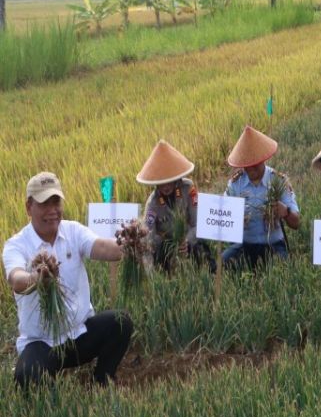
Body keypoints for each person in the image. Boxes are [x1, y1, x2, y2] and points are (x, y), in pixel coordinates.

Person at [4, 172, 133, 388]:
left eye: (56, 202)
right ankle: (53, 395)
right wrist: (37, 278)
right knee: (26, 376)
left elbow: (101, 246)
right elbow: (16, 279)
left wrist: (128, 244)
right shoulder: (16, 245)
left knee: (121, 323)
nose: (52, 210)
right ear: (29, 207)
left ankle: (102, 380)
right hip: (43, 343)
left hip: (79, 333)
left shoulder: (73, 230)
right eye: (44, 203)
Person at [222, 125, 300, 269]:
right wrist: (234, 221)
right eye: (247, 163)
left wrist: (286, 212)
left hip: (273, 244)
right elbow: (222, 220)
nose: (251, 167)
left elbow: (296, 223)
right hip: (244, 245)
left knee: (282, 270)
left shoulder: (279, 181)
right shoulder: (235, 184)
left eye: (255, 162)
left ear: (263, 159)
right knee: (222, 264)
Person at [137, 139, 213, 272]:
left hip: (189, 241)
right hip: (168, 246)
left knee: (204, 255)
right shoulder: (153, 203)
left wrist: (187, 241)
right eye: (161, 183)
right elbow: (148, 236)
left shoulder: (188, 189)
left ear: (176, 180)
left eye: (169, 182)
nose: (166, 186)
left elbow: (198, 223)